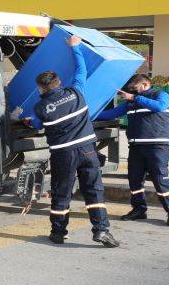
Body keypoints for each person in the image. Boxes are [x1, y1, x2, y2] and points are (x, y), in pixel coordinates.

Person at [32, 35, 120, 248]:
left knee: (62, 192)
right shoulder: (76, 92)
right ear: (59, 83)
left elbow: (36, 124)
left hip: (64, 155)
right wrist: (75, 47)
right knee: (94, 190)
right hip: (88, 150)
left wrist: (27, 120)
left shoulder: (40, 108)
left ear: (41, 89)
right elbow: (82, 71)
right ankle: (101, 231)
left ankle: (58, 232)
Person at [97, 74, 169, 226]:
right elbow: (111, 113)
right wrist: (87, 114)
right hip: (136, 146)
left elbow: (159, 106)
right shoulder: (132, 101)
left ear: (144, 84)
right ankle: (139, 209)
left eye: (134, 88)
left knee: (160, 179)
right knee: (134, 179)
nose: (131, 92)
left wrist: (134, 98)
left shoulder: (161, 95)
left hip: (156, 146)